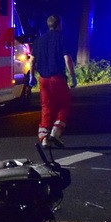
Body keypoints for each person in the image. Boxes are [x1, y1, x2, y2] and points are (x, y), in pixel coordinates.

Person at [31, 14, 77, 148]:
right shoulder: (61, 39)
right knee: (64, 105)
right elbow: (67, 59)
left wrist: (31, 76)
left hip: (43, 79)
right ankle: (55, 132)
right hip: (57, 78)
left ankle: (44, 138)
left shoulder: (38, 41)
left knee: (46, 107)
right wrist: (73, 76)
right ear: (59, 24)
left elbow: (32, 60)